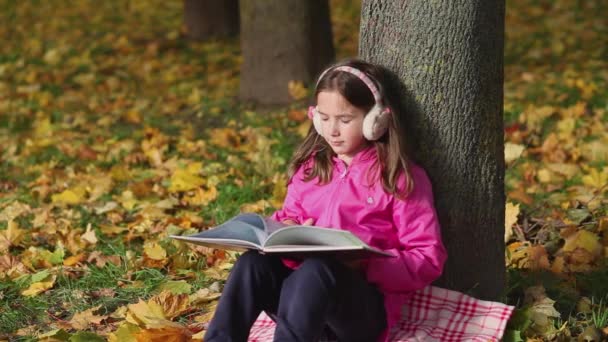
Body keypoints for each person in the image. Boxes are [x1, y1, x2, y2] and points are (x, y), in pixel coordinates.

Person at [204, 59, 447, 342]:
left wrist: (365, 265)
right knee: (251, 265)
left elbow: (427, 257)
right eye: (325, 118)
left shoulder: (398, 177)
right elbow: (289, 216)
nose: (333, 130)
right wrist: (288, 230)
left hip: (358, 314)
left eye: (345, 120)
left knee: (319, 271)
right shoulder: (311, 169)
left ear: (375, 121)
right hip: (300, 307)